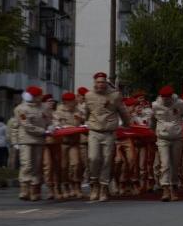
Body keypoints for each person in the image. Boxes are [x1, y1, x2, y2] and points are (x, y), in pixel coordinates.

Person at [84, 72, 132, 202]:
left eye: (102, 82)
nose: (100, 84)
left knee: (106, 160)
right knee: (93, 158)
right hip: (94, 131)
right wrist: (84, 122)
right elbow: (86, 113)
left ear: (106, 83)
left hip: (109, 132)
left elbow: (123, 111)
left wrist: (127, 124)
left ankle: (103, 187)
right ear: (95, 83)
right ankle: (94, 184)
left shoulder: (115, 95)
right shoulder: (88, 95)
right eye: (98, 82)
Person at [150, 85, 183, 202]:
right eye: (164, 98)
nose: (166, 100)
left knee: (175, 163)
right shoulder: (155, 105)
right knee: (165, 163)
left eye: (168, 98)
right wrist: (153, 131)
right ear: (161, 97)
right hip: (162, 138)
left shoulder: (179, 104)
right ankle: (165, 189)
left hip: (177, 137)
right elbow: (152, 121)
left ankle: (173, 187)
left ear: (171, 97)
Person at [13, 86, 51, 201]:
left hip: (39, 141)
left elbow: (49, 120)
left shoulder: (44, 107)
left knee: (37, 166)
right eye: (38, 96)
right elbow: (26, 125)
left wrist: (51, 127)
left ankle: (35, 190)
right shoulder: (21, 109)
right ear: (32, 96)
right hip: (26, 140)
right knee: (27, 164)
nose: (41, 97)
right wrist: (43, 131)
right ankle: (25, 188)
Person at [53, 92, 84, 199]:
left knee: (76, 164)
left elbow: (83, 122)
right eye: (71, 101)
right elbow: (56, 125)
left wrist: (82, 123)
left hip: (74, 142)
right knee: (63, 166)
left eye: (74, 101)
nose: (73, 103)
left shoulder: (78, 111)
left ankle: (76, 186)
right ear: (65, 102)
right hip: (63, 142)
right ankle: (65, 186)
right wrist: (66, 127)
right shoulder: (58, 112)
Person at [41, 93, 62, 200]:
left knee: (57, 166)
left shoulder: (57, 113)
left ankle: (57, 188)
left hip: (56, 142)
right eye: (49, 101)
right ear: (44, 103)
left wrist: (57, 126)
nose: (52, 103)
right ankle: (50, 188)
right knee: (48, 166)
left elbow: (60, 125)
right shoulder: (41, 113)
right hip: (45, 143)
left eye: (52, 101)